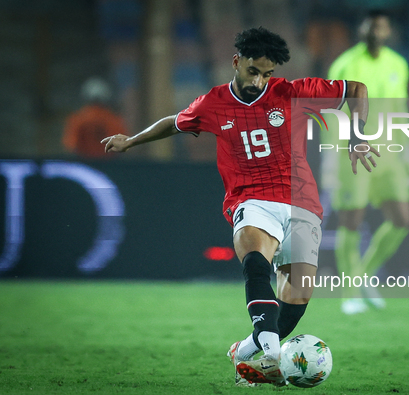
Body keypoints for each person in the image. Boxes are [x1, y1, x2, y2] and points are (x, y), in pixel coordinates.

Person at [101, 27, 378, 386]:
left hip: (301, 203)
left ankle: (246, 350)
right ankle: (274, 359)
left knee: (296, 298)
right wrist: (132, 141)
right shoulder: (212, 103)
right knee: (256, 262)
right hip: (251, 199)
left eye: (268, 74)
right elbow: (175, 123)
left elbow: (356, 90)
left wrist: (357, 136)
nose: (260, 81)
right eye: (254, 71)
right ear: (236, 62)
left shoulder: (293, 93)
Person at [325, 10, 409, 315]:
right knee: (351, 221)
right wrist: (330, 158)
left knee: (402, 219)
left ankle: (363, 276)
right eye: (370, 25)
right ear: (362, 29)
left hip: (389, 152)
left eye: (380, 26)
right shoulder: (345, 64)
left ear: (388, 30)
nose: (375, 30)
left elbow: (400, 111)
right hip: (351, 152)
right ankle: (349, 294)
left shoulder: (398, 64)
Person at [63, 77, 128, 158]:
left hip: (85, 164)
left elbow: (71, 145)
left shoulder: (78, 118)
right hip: (109, 165)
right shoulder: (113, 119)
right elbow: (122, 145)